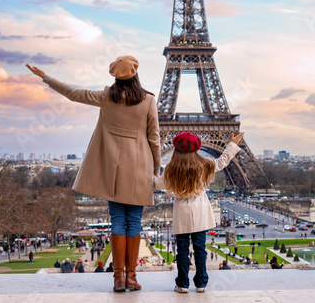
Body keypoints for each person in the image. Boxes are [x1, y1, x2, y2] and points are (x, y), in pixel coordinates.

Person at [26, 56, 160, 292]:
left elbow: (73, 94)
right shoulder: (148, 100)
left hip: (113, 170)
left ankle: (118, 277)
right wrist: (156, 168)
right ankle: (131, 276)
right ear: (135, 74)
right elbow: (154, 139)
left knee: (118, 221)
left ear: (115, 76)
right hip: (140, 169)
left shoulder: (106, 97)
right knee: (135, 223)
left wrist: (46, 78)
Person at [154, 132, 244, 294]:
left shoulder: (171, 168)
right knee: (200, 249)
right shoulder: (205, 165)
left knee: (182, 250)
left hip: (182, 210)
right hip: (200, 209)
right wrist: (232, 144)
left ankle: (182, 283)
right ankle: (201, 283)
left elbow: (158, 185)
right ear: (196, 148)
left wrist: (151, 175)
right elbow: (223, 161)